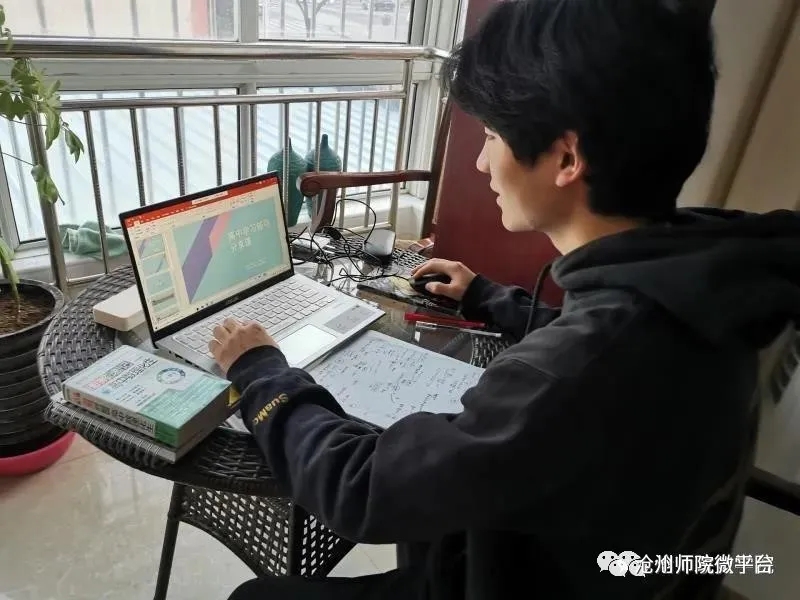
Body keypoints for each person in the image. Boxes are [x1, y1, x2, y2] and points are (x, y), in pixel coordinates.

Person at [218, 1, 800, 598]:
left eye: (492, 136)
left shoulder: (572, 374)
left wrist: (263, 372)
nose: (480, 161)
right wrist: (487, 296)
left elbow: (360, 489)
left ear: (566, 158)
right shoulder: (713, 277)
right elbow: (612, 349)